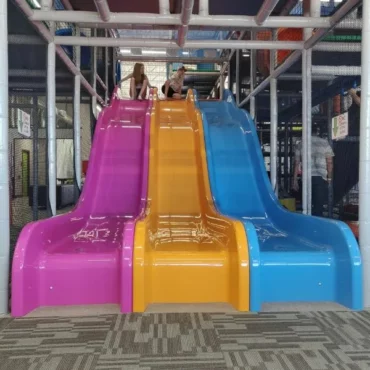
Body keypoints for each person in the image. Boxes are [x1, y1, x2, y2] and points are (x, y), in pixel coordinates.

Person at [293, 127, 334, 217]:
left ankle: (307, 223)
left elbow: (296, 163)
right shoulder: (325, 143)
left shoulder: (301, 144)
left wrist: (295, 180)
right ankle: (317, 225)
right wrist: (329, 178)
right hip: (320, 178)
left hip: (306, 178)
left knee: (306, 205)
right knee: (318, 206)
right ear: (317, 132)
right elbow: (329, 163)